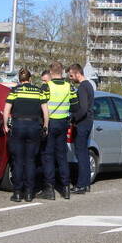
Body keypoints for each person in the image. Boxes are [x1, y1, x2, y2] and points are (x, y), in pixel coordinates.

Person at [2, 68, 49, 202]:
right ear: (30, 79)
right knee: (30, 161)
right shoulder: (39, 91)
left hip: (18, 126)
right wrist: (45, 126)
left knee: (17, 161)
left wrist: (5, 125)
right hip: (34, 127)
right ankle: (29, 193)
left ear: (19, 79)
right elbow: (46, 112)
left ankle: (17, 193)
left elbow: (6, 110)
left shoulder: (15, 91)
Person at [41, 62, 78, 200]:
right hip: (63, 124)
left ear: (51, 72)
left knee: (48, 156)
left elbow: (41, 105)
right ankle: (66, 188)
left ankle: (49, 189)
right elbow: (75, 107)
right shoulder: (70, 87)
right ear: (62, 71)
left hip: (50, 123)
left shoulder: (47, 86)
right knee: (62, 156)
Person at [68, 63, 94, 194]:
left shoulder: (83, 87)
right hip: (88, 122)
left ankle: (81, 185)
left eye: (71, 75)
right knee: (84, 153)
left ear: (78, 73)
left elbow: (83, 108)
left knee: (81, 154)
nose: (71, 78)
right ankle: (86, 183)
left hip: (83, 123)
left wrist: (73, 118)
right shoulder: (89, 85)